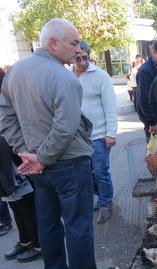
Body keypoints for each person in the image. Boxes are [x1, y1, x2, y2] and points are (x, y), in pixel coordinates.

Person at [0, 18, 96, 268]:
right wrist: (38, 157)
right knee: (78, 228)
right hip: (68, 164)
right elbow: (65, 128)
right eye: (74, 43)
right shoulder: (65, 79)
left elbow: (6, 118)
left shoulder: (15, 72)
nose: (78, 49)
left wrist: (28, 153)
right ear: (53, 43)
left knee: (49, 224)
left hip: (40, 166)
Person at [73, 40, 118, 224]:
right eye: (77, 58)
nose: (82, 61)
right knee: (86, 174)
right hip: (77, 137)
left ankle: (106, 203)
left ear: (89, 56)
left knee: (100, 171)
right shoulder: (68, 76)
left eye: (85, 57)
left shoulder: (101, 76)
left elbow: (110, 106)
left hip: (99, 135)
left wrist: (111, 133)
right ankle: (102, 196)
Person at [0, 136, 41, 262]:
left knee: (27, 208)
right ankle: (25, 241)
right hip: (6, 168)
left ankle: (38, 245)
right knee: (16, 208)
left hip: (17, 165)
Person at [136, 40, 157, 141]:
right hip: (153, 121)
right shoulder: (145, 71)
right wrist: (152, 122)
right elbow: (144, 99)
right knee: (155, 154)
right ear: (154, 53)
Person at [0, 67, 13, 237]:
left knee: (19, 197)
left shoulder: (7, 96)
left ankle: (34, 243)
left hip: (11, 153)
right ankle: (26, 241)